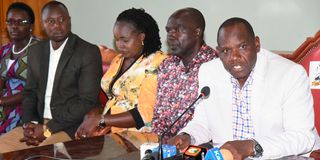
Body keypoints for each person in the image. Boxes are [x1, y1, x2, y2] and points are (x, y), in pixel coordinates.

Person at [168, 17, 320, 159]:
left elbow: (302, 137)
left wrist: (251, 147)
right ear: (218, 52)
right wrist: (188, 136)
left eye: (242, 47)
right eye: (226, 51)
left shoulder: (289, 74)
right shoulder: (209, 72)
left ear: (257, 44)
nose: (234, 57)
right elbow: (203, 122)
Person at [0, 1, 102, 153]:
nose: (56, 26)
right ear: (43, 24)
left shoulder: (87, 52)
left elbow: (87, 101)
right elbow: (30, 92)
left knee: (41, 155)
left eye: (61, 20)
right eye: (50, 21)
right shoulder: (36, 51)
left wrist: (48, 128)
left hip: (67, 127)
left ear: (69, 20)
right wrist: (29, 124)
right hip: (38, 124)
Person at [75, 8, 167, 139]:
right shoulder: (119, 59)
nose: (119, 45)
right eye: (116, 39)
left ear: (142, 37)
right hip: (108, 130)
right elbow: (111, 97)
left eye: (124, 40)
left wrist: (102, 120)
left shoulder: (157, 63)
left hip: (137, 135)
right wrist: (93, 115)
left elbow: (145, 114)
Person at [151, 7, 217, 142]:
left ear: (197, 32)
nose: (171, 35)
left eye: (178, 30)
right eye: (168, 30)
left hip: (198, 144)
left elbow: (215, 122)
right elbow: (158, 116)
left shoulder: (215, 65)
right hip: (163, 143)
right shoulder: (167, 65)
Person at [0, 2, 38, 135]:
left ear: (31, 26)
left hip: (27, 106)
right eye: (10, 21)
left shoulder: (39, 50)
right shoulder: (4, 50)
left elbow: (34, 89)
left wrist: (1, 101)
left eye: (21, 22)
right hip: (5, 102)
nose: (14, 26)